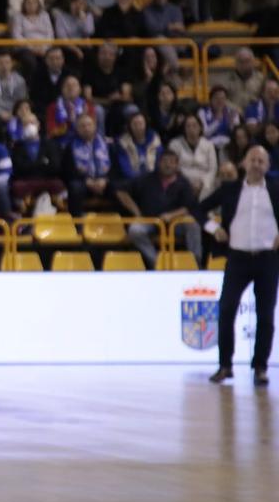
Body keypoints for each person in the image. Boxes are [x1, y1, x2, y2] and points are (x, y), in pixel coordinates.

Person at [196, 145, 278, 386]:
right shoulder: (230, 190)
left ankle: (260, 367)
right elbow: (198, 209)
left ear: (268, 166)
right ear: (243, 163)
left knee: (266, 315)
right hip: (238, 258)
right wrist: (214, 229)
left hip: (267, 258)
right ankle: (225, 365)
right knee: (226, 310)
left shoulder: (275, 189)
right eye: (253, 159)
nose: (256, 164)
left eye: (261, 161)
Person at [119, 149, 200, 269]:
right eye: (164, 161)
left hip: (175, 222)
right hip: (150, 221)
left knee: (193, 224)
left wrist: (172, 215)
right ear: (158, 163)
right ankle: (156, 261)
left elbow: (189, 206)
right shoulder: (146, 179)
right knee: (134, 230)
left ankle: (195, 262)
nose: (168, 164)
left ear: (177, 165)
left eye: (171, 162)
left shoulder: (184, 183)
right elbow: (121, 191)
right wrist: (137, 213)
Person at [63, 112, 111, 216]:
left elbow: (115, 166)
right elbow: (68, 170)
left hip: (104, 180)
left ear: (94, 126)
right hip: (83, 181)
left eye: (89, 125)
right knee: (75, 188)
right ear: (77, 129)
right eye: (82, 126)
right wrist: (87, 181)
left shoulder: (107, 144)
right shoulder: (70, 146)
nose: (86, 128)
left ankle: (122, 223)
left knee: (119, 187)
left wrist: (105, 179)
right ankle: (78, 223)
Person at [170, 113, 219, 200]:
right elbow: (174, 167)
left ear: (200, 127)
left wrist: (202, 183)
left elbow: (213, 168)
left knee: (210, 189)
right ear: (184, 129)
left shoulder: (208, 145)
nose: (191, 129)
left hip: (204, 183)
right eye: (188, 126)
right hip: (182, 181)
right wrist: (189, 183)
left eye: (194, 125)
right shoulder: (175, 144)